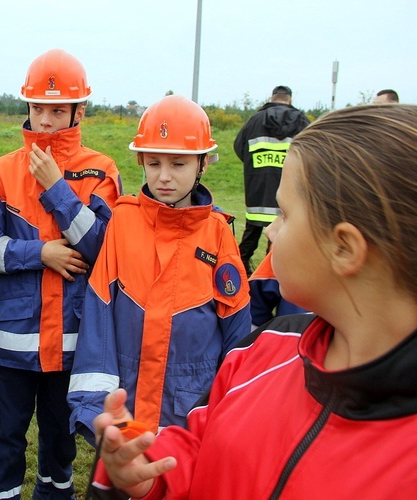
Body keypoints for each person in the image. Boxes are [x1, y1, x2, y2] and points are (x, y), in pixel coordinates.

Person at [92, 104, 417, 499]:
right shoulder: (261, 353)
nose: (271, 232)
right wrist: (151, 481)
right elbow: (201, 443)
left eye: (284, 213)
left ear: (345, 248)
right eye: (154, 162)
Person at [0, 48, 122, 500]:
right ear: (28, 107)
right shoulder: (0, 172)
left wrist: (57, 187)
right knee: (4, 434)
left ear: (79, 109)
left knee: (60, 439)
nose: (47, 120)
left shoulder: (101, 170)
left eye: (58, 110)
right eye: (39, 109)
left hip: (73, 341)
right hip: (11, 342)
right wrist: (41, 253)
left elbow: (103, 249)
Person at [68, 95, 251, 443]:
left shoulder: (217, 234)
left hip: (188, 418)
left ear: (202, 165)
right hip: (127, 413)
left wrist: (230, 412)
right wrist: (94, 408)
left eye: (178, 164)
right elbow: (98, 319)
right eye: (153, 164)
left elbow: (237, 338)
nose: (164, 177)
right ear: (141, 160)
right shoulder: (123, 221)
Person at [234, 85, 309, 276]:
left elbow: (238, 145)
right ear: (289, 100)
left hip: (258, 187)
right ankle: (274, 273)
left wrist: (256, 165)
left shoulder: (255, 120)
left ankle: (242, 268)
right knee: (282, 230)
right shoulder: (302, 122)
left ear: (272, 97)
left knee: (252, 229)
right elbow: (313, 153)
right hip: (288, 189)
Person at [248, 217, 307, 329]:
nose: (268, 230)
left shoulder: (291, 252)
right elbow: (255, 310)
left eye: (285, 215)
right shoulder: (283, 258)